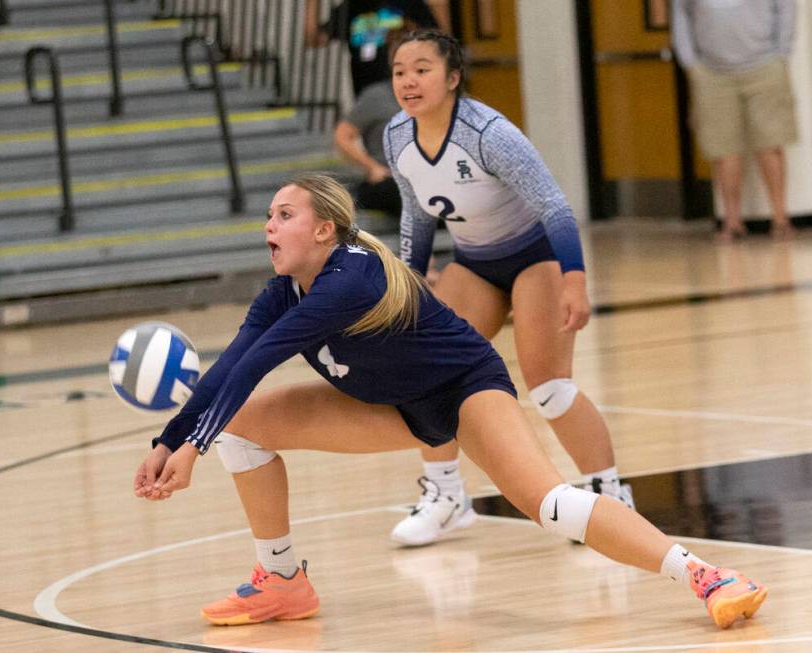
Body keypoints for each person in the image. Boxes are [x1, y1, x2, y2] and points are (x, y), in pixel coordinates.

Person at [132, 173, 768, 630]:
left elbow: (262, 361)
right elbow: (232, 370)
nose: (269, 226)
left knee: (548, 503)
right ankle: (284, 581)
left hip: (465, 389)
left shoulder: (351, 276)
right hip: (393, 406)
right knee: (241, 427)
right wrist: (169, 442)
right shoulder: (282, 292)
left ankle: (705, 575)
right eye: (268, 217)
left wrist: (190, 451)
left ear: (324, 228)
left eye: (284, 215)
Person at [383, 29, 633, 547]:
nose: (409, 81)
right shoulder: (396, 136)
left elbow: (554, 206)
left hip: (534, 257)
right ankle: (448, 498)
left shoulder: (488, 133)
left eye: (422, 69)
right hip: (474, 262)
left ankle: (610, 496)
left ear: (452, 79)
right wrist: (407, 289)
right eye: (400, 71)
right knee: (427, 374)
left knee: (548, 387)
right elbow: (418, 217)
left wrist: (574, 281)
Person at [672, 0, 798, 242]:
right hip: (711, 72)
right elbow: (681, 16)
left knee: (770, 143)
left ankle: (781, 219)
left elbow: (786, 7)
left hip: (764, 66)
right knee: (723, 149)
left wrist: (782, 53)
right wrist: (690, 62)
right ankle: (732, 222)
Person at [304, 0, 449, 98]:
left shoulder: (409, 3)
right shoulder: (352, 6)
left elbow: (438, 39)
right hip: (367, 95)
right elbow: (314, 39)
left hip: (408, 93)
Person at [334, 80, 403, 217]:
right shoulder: (378, 96)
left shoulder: (440, 96)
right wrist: (372, 167)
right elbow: (343, 135)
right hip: (388, 178)